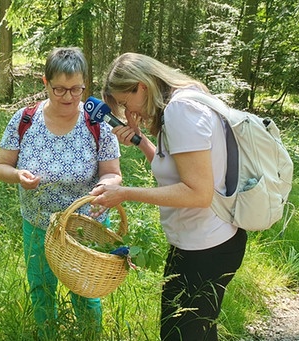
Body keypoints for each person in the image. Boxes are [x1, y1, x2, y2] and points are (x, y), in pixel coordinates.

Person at [90, 52, 247, 341]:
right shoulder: (181, 101)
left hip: (207, 246)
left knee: (181, 335)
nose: (126, 111)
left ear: (142, 86)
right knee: (194, 332)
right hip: (195, 243)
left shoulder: (180, 110)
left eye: (125, 102)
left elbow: (198, 193)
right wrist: (141, 140)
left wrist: (124, 193)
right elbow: (175, 170)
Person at [0, 47, 122, 340]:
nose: (68, 97)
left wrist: (108, 186)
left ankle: (90, 336)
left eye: (76, 89)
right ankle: (47, 334)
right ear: (44, 82)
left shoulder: (96, 122)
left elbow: (113, 172)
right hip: (39, 224)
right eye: (60, 89)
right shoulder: (25, 120)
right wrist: (17, 175)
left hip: (86, 226)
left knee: (86, 293)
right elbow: (0, 166)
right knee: (41, 288)